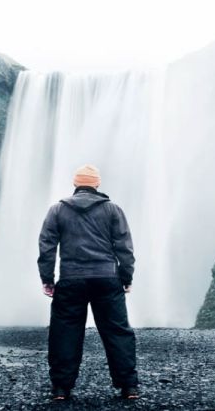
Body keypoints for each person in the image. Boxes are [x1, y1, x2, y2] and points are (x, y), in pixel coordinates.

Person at [37, 164, 139, 401]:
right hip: (106, 278)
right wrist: (126, 277)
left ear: (75, 184)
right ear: (97, 184)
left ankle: (61, 388)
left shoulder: (57, 210)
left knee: (65, 332)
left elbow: (47, 246)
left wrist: (47, 279)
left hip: (71, 279)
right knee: (117, 331)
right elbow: (124, 247)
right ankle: (128, 386)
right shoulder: (113, 210)